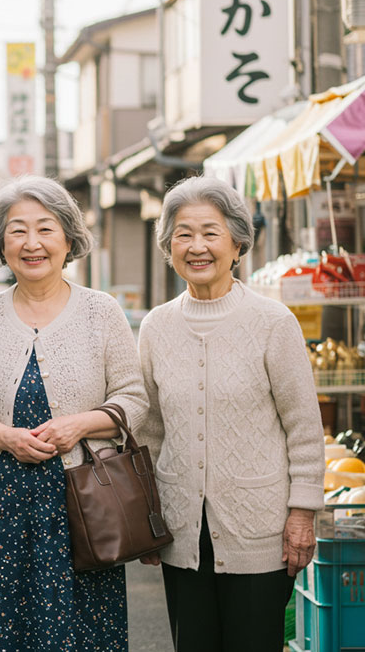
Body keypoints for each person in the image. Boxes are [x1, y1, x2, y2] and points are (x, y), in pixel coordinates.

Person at [0, 175, 148, 651]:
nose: (32, 243)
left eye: (46, 229)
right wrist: (5, 437)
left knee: (77, 634)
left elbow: (134, 399)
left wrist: (81, 424)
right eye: (17, 230)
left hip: (82, 505)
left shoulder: (101, 311)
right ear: (1, 243)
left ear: (69, 239)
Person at [136, 176, 323, 652]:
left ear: (238, 243)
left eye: (210, 233)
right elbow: (151, 430)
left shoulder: (272, 322)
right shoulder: (156, 327)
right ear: (168, 245)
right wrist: (149, 519)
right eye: (183, 234)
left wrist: (303, 513)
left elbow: (304, 428)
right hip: (182, 533)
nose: (197, 246)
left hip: (260, 531)